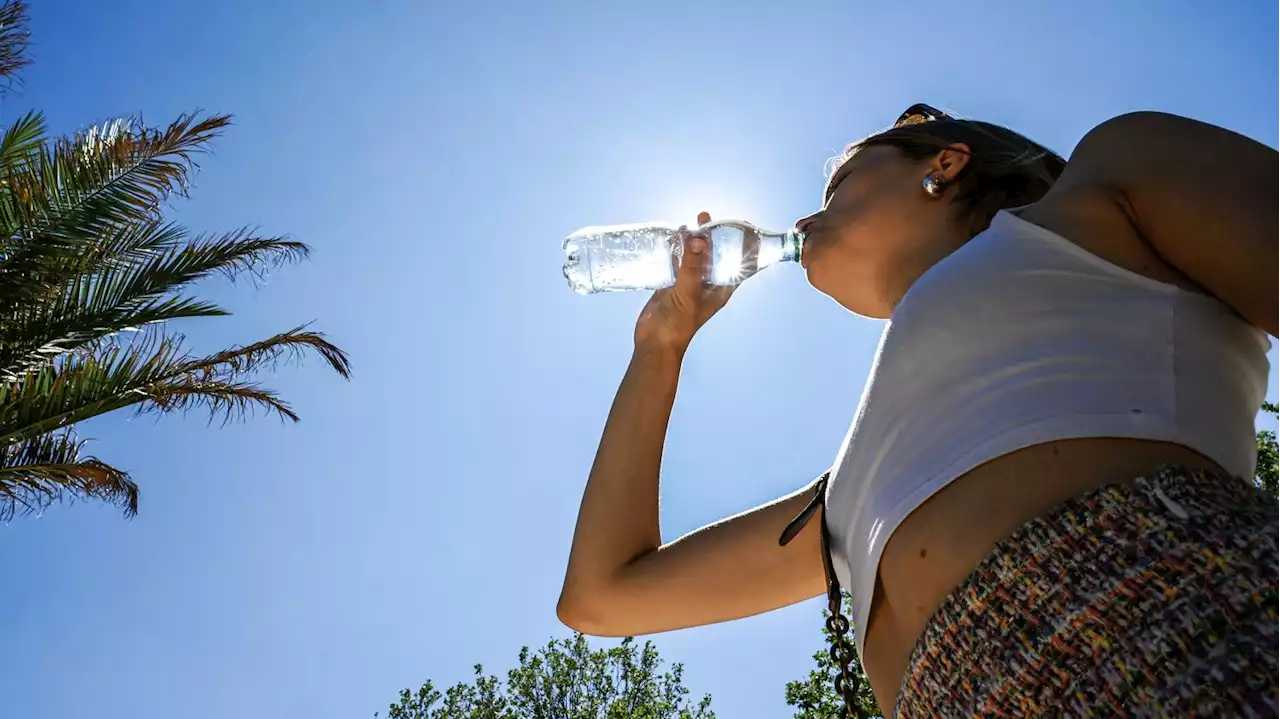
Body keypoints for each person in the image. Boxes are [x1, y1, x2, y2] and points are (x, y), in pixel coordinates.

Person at [556, 103, 1280, 716]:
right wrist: (661, 346)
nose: (809, 212)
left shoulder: (1105, 188)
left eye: (838, 183)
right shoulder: (842, 501)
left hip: (1195, 643)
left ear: (944, 161)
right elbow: (603, 595)